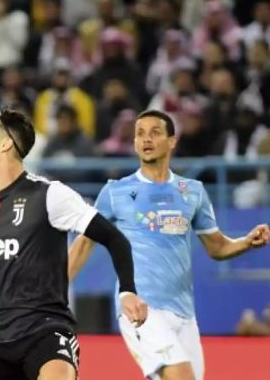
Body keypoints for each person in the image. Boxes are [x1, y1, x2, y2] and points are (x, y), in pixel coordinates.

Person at [0, 108, 148, 380]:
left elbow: (113, 237)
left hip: (46, 331)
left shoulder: (49, 195)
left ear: (6, 143)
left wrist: (127, 291)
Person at [68, 109, 269, 380]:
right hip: (140, 308)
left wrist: (245, 243)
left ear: (172, 141)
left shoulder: (193, 191)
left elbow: (217, 247)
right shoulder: (116, 192)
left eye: (154, 133)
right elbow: (83, 244)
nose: (145, 139)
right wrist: (51, 291)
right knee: (180, 375)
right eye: (140, 134)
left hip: (184, 313)